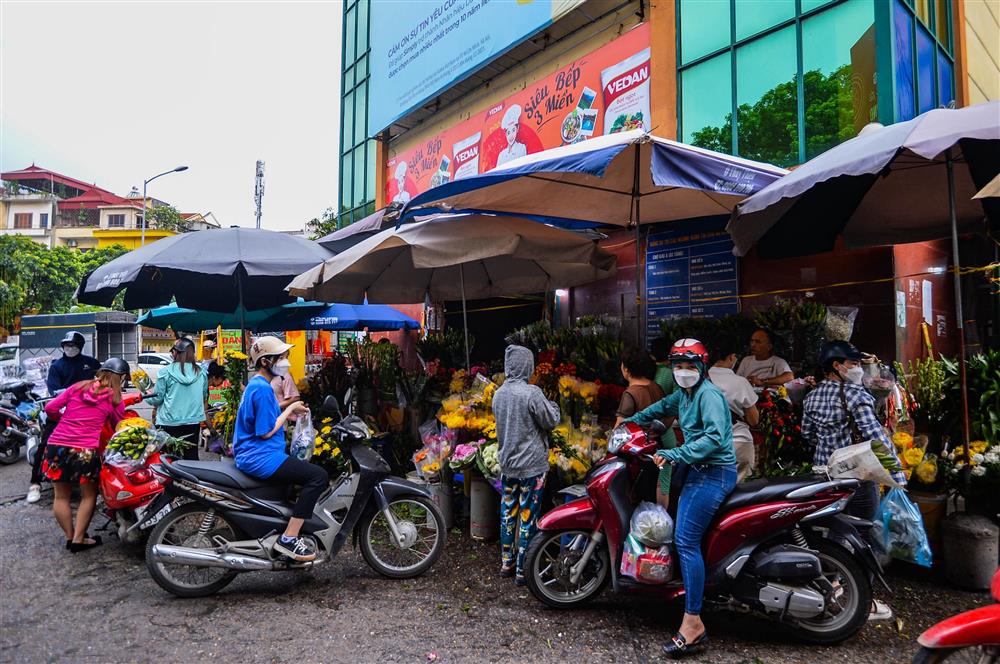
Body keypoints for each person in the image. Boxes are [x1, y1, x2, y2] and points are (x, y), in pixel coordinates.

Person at [624, 339, 736, 658]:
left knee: (686, 540)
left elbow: (714, 439)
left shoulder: (708, 395)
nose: (684, 371)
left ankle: (693, 623)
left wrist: (675, 453)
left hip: (713, 472)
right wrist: (629, 424)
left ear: (701, 367)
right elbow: (658, 409)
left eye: (690, 366)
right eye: (678, 366)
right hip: (695, 469)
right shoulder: (685, 394)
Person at [801, 340, 904, 621]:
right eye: (854, 363)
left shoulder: (812, 397)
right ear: (837, 366)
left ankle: (832, 589)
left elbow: (808, 435)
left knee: (833, 534)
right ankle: (864, 602)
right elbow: (876, 437)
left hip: (824, 477)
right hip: (856, 477)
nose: (858, 368)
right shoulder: (856, 395)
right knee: (864, 536)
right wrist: (896, 473)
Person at [234, 336, 322, 562]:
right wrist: (291, 408)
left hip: (258, 453)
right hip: (260, 455)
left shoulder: (256, 385)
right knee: (318, 477)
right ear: (265, 361)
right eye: (281, 358)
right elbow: (265, 432)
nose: (285, 362)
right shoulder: (262, 389)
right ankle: (289, 538)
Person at [42, 358, 129, 552]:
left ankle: (70, 537)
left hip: (57, 445)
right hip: (85, 450)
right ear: (121, 378)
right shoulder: (114, 398)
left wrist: (62, 419)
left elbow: (50, 408)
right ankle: (79, 539)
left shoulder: (78, 386)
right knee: (88, 496)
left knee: (61, 497)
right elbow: (120, 425)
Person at [491, 344, 560, 585]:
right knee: (528, 517)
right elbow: (550, 421)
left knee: (507, 514)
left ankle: (506, 562)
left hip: (508, 465)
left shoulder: (498, 394)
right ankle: (523, 569)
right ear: (527, 366)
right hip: (532, 467)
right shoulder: (532, 393)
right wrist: (555, 407)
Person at [27, 331, 101, 504]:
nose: (70, 348)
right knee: (46, 442)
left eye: (73, 345)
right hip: (62, 410)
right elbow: (54, 391)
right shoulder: (57, 366)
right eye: (67, 345)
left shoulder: (91, 363)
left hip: (89, 411)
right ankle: (35, 482)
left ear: (80, 346)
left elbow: (103, 381)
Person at [615, 347, 669, 508]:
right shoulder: (656, 387)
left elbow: (619, 427)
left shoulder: (631, 393)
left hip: (638, 454)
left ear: (626, 369)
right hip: (656, 449)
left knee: (635, 499)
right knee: (649, 496)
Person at [144, 338, 209, 461]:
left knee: (169, 459)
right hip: (193, 422)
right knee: (191, 458)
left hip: (168, 423)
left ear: (175, 353)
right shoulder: (202, 373)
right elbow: (203, 396)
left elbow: (157, 399)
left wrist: (146, 393)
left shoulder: (165, 372)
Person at [708, 335, 760, 481]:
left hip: (707, 444)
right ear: (732, 357)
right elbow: (754, 420)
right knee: (741, 489)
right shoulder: (740, 382)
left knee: (712, 486)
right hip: (738, 441)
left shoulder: (700, 381)